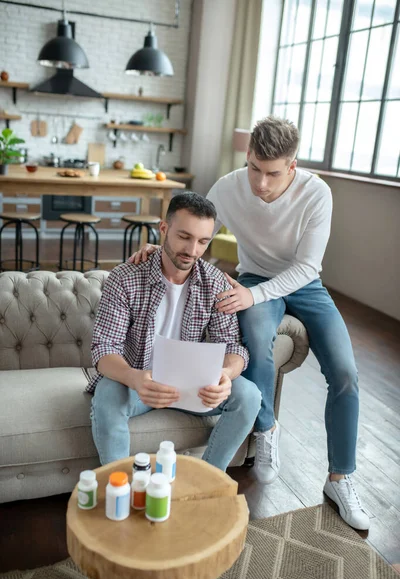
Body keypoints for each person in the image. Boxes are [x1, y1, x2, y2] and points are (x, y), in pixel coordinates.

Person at [130, 116, 370, 530]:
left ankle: (340, 478)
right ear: (248, 157)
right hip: (256, 275)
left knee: (346, 373)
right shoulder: (228, 187)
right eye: (254, 168)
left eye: (272, 173)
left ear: (292, 167)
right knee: (256, 341)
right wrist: (162, 246)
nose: (260, 183)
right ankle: (267, 429)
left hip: (304, 283)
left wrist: (251, 295)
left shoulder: (317, 194)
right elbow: (196, 232)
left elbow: (308, 265)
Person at [87, 192, 261, 473]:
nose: (192, 250)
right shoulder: (125, 277)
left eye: (203, 241)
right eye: (184, 237)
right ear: (164, 229)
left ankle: (207, 480)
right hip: (139, 383)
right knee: (107, 393)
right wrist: (134, 378)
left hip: (195, 387)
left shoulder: (215, 282)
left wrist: (226, 375)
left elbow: (234, 347)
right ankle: (121, 487)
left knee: (249, 395)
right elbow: (104, 348)